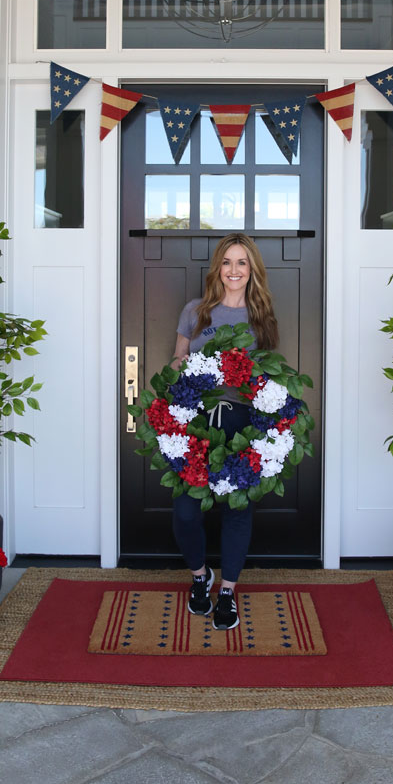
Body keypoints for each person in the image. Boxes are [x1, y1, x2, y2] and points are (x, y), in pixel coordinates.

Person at [170, 233, 279, 631]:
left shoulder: (260, 316)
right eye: (228, 262)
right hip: (197, 420)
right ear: (218, 267)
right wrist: (185, 366)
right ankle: (201, 577)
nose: (234, 270)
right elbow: (177, 357)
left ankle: (228, 590)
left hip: (240, 422)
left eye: (242, 263)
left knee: (237, 510)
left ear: (252, 271)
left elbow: (268, 375)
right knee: (185, 512)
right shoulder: (195, 311)